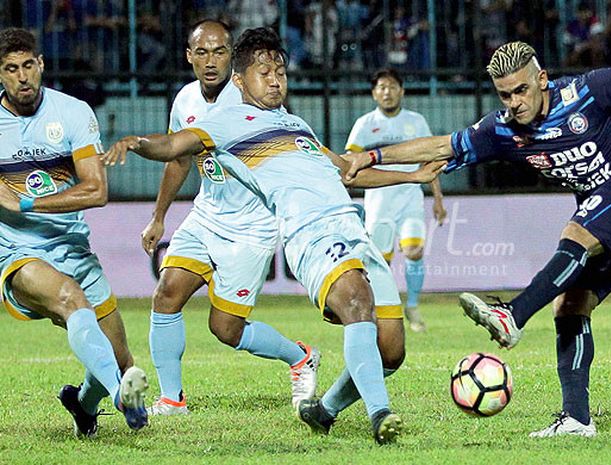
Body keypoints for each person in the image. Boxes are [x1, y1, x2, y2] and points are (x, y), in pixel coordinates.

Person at [103, 27, 445, 444]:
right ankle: (381, 415)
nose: (275, 80)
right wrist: (136, 142)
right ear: (240, 80)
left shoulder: (296, 124)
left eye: (280, 72)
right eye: (264, 73)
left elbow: (346, 170)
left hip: (351, 229)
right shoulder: (225, 122)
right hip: (308, 232)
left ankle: (325, 410)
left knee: (392, 350)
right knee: (356, 303)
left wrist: (414, 175)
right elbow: (174, 146)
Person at [343, 41, 611, 437]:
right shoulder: (502, 130)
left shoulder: (589, 90)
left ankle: (512, 316)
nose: (514, 102)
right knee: (570, 305)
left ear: (542, 79)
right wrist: (372, 157)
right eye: (505, 94)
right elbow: (443, 144)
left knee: (576, 232)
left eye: (521, 90)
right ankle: (577, 419)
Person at [134, 19, 321, 416]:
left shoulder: (254, 100)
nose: (211, 61)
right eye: (202, 52)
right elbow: (179, 159)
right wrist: (158, 217)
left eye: (220, 51)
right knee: (167, 293)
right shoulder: (185, 100)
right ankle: (172, 399)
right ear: (189, 56)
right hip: (206, 215)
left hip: (251, 228)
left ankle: (300, 356)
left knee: (226, 330)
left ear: (232, 57)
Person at [0, 27, 148, 437]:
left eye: (28, 65)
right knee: (69, 298)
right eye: (11, 69)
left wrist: (25, 202)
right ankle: (123, 398)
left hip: (73, 247)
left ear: (41, 64)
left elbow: (97, 190)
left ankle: (83, 405)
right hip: (18, 250)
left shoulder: (73, 112)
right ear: (0, 74)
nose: (22, 76)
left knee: (119, 359)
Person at [345, 68, 447, 333]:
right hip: (379, 201)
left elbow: (429, 161)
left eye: (391, 87)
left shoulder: (416, 121)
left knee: (414, 251)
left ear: (401, 90)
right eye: (381, 87)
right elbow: (348, 163)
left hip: (410, 198)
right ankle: (381, 311)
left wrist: (437, 199)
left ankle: (412, 305)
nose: (386, 92)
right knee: (380, 260)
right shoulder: (365, 124)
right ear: (374, 93)